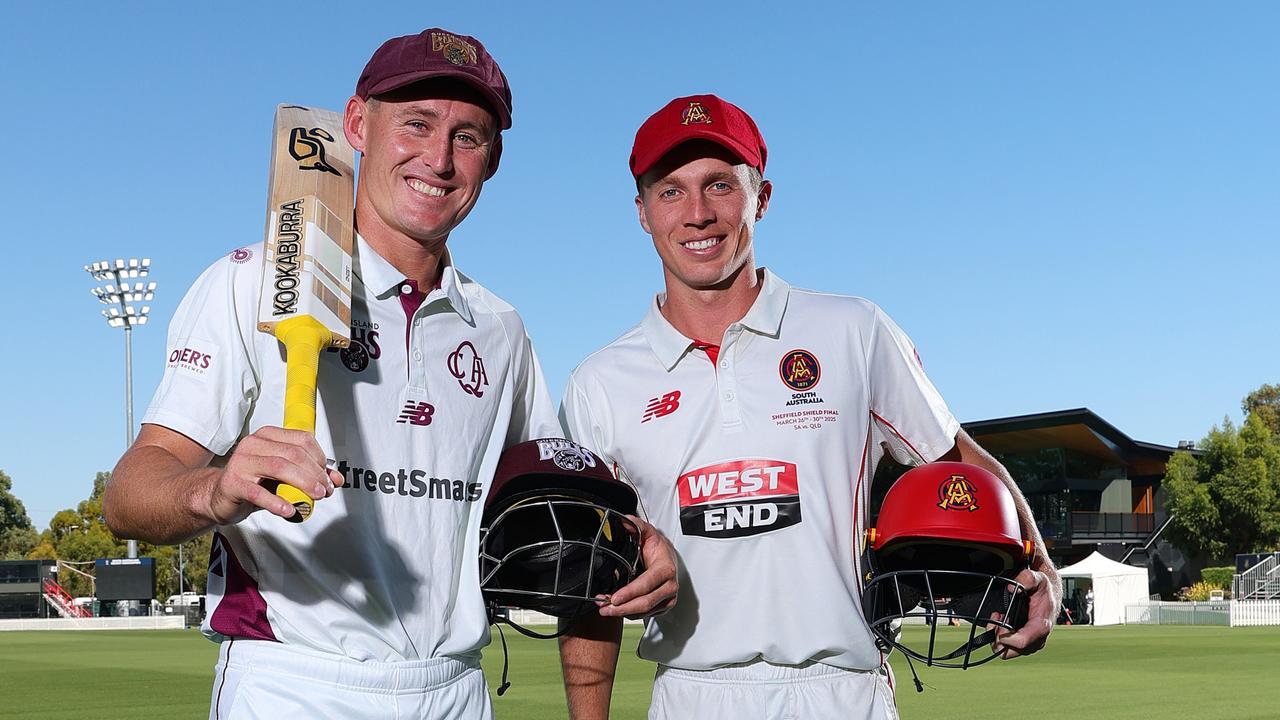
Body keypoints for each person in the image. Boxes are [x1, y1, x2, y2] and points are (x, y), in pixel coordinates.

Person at [102, 28, 674, 720]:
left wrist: (628, 545)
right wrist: (215, 491)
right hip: (296, 682)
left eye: (469, 136)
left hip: (456, 688)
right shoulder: (249, 282)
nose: (438, 158)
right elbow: (130, 494)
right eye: (416, 122)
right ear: (355, 124)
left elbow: (550, 513)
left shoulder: (501, 328)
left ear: (493, 161)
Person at [557, 94, 1062, 719]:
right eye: (671, 191)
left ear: (761, 197)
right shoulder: (599, 384)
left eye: (720, 185)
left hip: (842, 688)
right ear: (641, 212)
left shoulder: (853, 331)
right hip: (693, 693)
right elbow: (588, 583)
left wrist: (1043, 567)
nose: (697, 214)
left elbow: (960, 460)